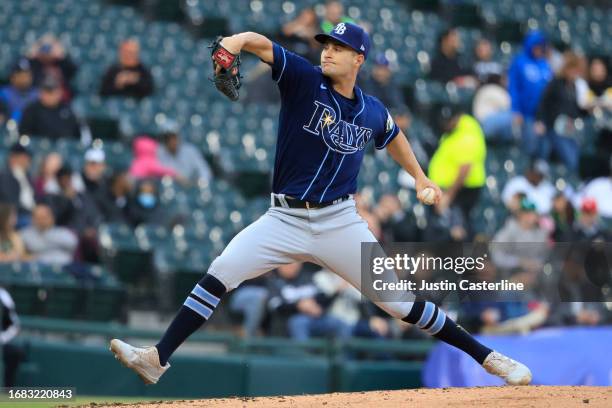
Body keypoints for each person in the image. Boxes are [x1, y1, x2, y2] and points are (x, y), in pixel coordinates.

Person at [110, 22, 531, 386]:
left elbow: (393, 136)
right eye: (326, 45)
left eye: (338, 48)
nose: (327, 52)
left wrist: (420, 177)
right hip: (284, 219)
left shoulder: (371, 109)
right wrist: (234, 42)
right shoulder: (304, 79)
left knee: (401, 304)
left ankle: (490, 358)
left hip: (340, 223)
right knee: (220, 271)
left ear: (358, 60)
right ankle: (157, 359)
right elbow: (260, 43)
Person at [428, 106, 487, 225]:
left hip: (461, 190)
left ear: (457, 117)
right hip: (453, 189)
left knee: (457, 231)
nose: (446, 124)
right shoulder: (455, 131)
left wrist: (448, 196)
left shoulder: (467, 134)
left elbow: (465, 169)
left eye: (449, 121)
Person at [267, 263, 351, 340]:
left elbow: (322, 298)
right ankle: (303, 355)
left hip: (315, 318)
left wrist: (319, 305)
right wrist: (298, 306)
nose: (291, 266)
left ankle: (342, 356)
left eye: (295, 264)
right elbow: (276, 307)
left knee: (342, 324)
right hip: (288, 322)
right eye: (287, 264)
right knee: (299, 323)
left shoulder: (307, 277)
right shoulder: (273, 282)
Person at [534, 53, 585, 171]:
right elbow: (543, 103)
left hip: (569, 129)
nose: (575, 74)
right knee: (572, 160)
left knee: (578, 157)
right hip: (554, 128)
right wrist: (540, 121)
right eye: (573, 70)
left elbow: (574, 109)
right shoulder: (555, 83)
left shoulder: (573, 87)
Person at [507, 31, 553, 158]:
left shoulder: (545, 65)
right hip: (525, 114)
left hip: (542, 116)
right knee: (529, 146)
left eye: (541, 47)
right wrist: (516, 109)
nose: (539, 49)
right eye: (536, 46)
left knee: (544, 147)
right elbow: (513, 87)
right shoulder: (519, 62)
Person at [19, 76, 81, 140]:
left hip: (63, 147)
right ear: (41, 93)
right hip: (38, 148)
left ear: (60, 92)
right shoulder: (31, 110)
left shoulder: (67, 110)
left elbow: (76, 135)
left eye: (53, 92)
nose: (50, 96)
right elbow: (24, 135)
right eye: (47, 92)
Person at [27, 34, 78, 101]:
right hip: (39, 98)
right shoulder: (35, 64)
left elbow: (73, 68)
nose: (46, 54)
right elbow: (23, 66)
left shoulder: (61, 63)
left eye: (49, 50)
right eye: (43, 50)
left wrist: (62, 54)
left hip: (61, 99)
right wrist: (33, 52)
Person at [0, 143, 35, 225]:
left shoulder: (27, 176)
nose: (27, 161)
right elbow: (10, 201)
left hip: (31, 213)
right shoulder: (5, 176)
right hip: (17, 215)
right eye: (24, 158)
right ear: (13, 158)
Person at [0, 58, 39, 122]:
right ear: (12, 77)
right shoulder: (3, 93)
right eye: (21, 75)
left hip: (32, 129)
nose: (25, 79)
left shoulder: (37, 94)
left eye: (27, 75)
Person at [0, 287, 23, 387]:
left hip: (2, 343)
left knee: (15, 353)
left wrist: (2, 338)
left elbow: (16, 326)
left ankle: (7, 391)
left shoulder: (3, 296)